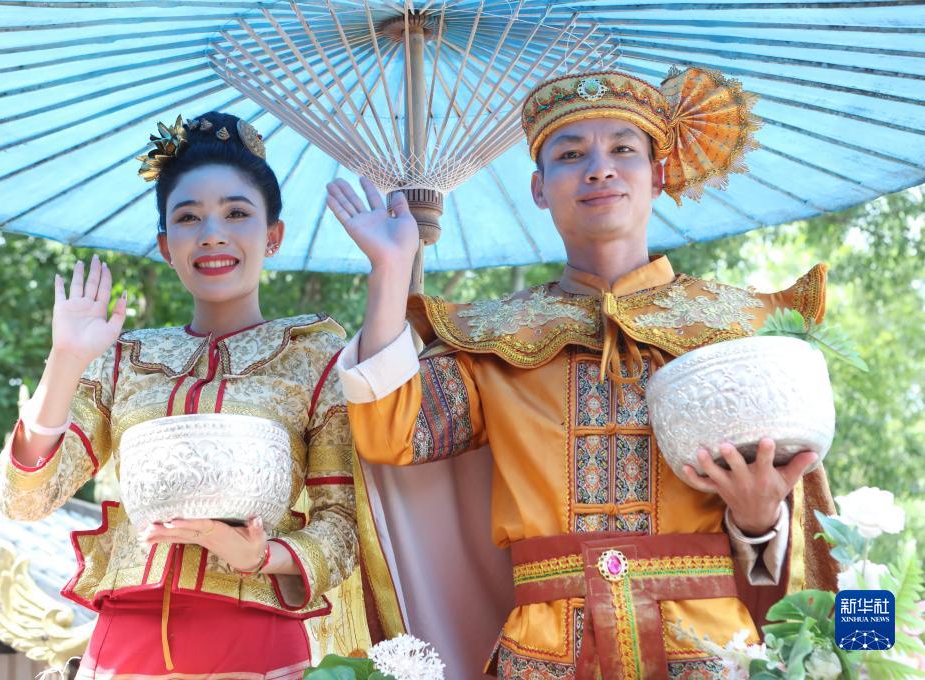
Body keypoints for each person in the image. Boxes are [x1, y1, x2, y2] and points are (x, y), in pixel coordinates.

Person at [329, 67, 838, 678]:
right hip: (546, 653)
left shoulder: (740, 329)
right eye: (571, 155)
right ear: (539, 187)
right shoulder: (494, 338)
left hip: (710, 651)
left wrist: (759, 522)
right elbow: (390, 433)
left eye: (623, 149)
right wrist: (390, 270)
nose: (599, 169)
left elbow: (813, 532)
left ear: (659, 174)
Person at [0, 112, 360, 679]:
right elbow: (23, 501)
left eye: (236, 213)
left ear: (273, 236)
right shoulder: (125, 357)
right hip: (125, 641)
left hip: (253, 640)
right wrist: (65, 360)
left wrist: (261, 555)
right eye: (188, 217)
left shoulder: (316, 357)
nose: (212, 233)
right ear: (167, 245)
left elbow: (343, 526)